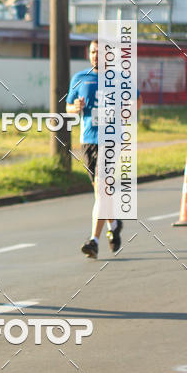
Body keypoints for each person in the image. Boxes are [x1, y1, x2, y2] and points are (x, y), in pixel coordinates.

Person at [67, 39, 142, 259]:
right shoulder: (80, 78)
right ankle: (114, 224)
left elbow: (137, 100)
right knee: (101, 192)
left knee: (101, 188)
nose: (96, 56)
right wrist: (75, 108)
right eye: (93, 52)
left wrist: (124, 112)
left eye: (100, 52)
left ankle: (94, 241)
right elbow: (68, 106)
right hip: (88, 140)